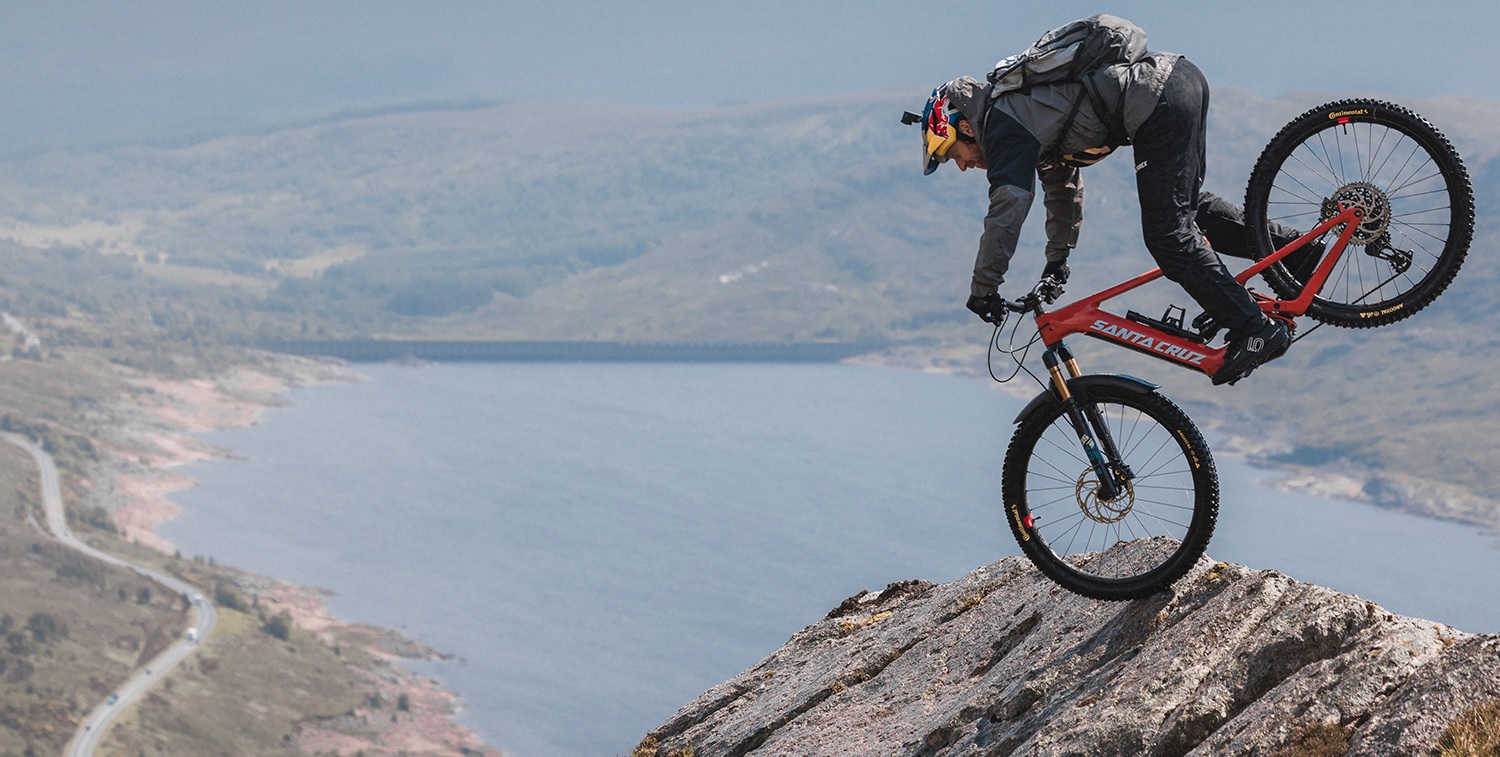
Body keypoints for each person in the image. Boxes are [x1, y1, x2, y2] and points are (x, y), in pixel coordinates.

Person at [915, 23, 1309, 385]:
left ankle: (1254, 329)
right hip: (1178, 80)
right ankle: (1299, 252)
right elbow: (1063, 188)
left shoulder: (1003, 125)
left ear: (964, 127)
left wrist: (984, 288)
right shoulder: (1023, 117)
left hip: (1158, 98)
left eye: (952, 154)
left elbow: (1008, 209)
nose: (962, 166)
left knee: (1168, 237)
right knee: (1186, 211)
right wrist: (1057, 261)